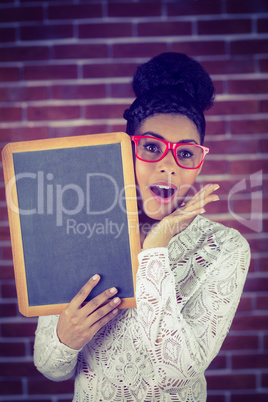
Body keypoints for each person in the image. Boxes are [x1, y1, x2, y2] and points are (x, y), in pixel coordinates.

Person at [33, 52, 250, 401]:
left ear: (199, 162)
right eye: (151, 147)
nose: (169, 167)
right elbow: (51, 368)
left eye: (186, 153)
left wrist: (156, 248)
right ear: (126, 149)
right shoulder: (78, 231)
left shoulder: (225, 247)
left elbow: (177, 374)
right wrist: (64, 338)